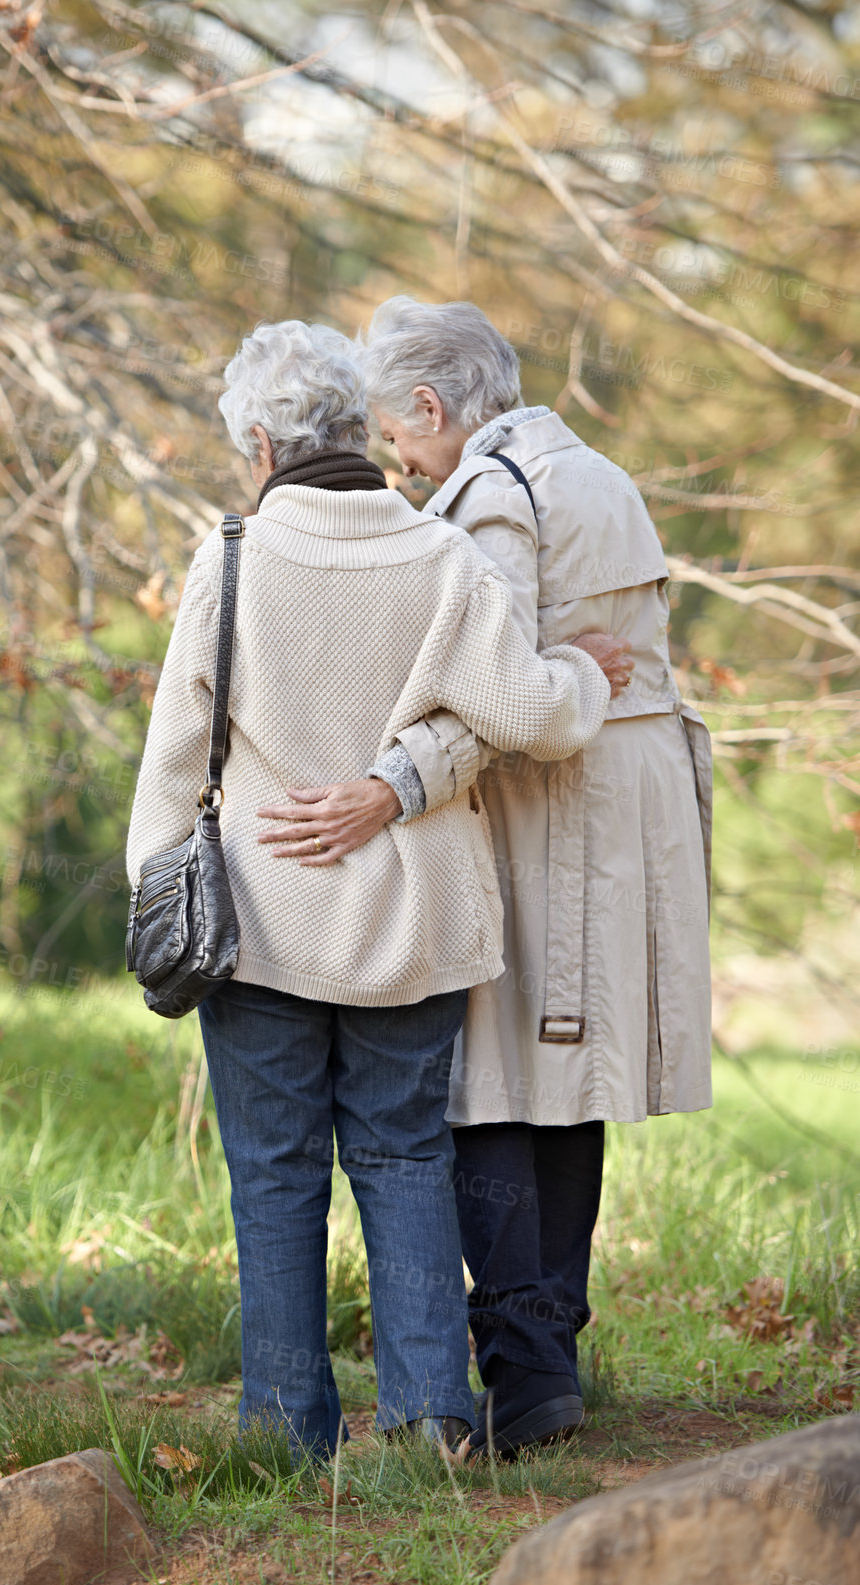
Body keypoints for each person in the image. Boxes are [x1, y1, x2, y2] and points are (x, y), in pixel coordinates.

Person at [127, 319, 633, 1462]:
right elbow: (532, 717)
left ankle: (288, 1432)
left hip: (260, 928)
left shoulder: (234, 557)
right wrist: (582, 679)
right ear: (359, 425)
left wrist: (154, 901)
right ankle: (428, 1423)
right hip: (412, 927)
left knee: (274, 1176)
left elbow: (173, 758)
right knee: (407, 1162)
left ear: (261, 441)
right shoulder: (438, 556)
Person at [257, 297, 712, 1457]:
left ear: (430, 405)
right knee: (567, 1080)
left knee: (489, 1077)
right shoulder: (596, 470)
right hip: (628, 813)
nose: (397, 464)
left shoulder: (494, 492)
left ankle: (525, 1355)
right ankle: (545, 1347)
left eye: (398, 434)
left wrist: (389, 788)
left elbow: (498, 699)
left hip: (542, 811)